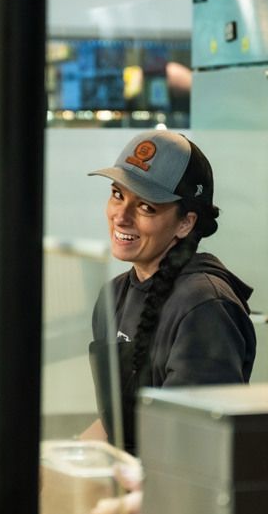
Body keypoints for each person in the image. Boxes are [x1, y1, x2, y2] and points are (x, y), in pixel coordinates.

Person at [82, 129, 256, 455]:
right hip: (127, 487)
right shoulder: (114, 295)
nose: (121, 215)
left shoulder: (205, 307)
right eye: (118, 194)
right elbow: (115, 424)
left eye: (146, 206)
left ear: (185, 224)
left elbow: (191, 443)